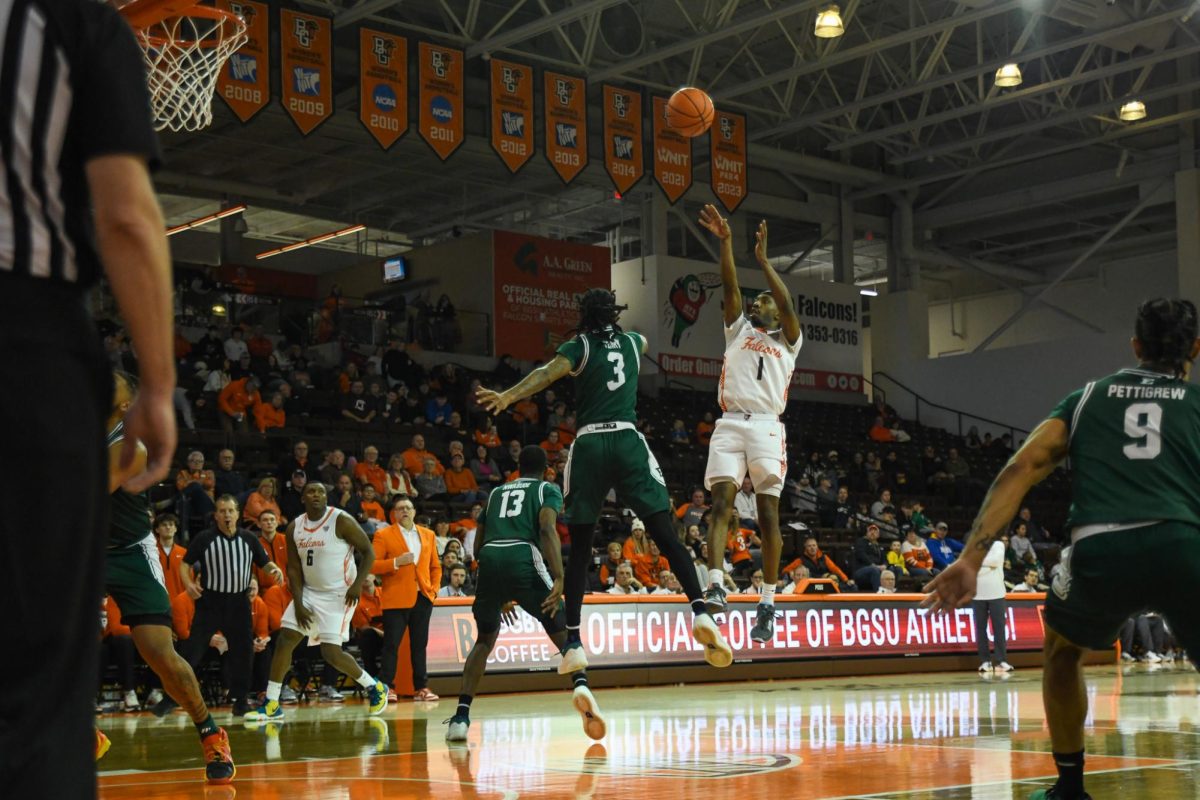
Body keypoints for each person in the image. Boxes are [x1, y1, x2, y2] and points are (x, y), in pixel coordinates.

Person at [1, 6, 178, 787]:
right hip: (24, 338)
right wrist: (160, 385)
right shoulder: (71, 21)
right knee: (41, 674)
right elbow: (125, 216)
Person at [923, 299, 1200, 800]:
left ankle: (1069, 787)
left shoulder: (1088, 398)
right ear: (1196, 349)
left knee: (1063, 651)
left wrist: (969, 558)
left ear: (1135, 347)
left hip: (1102, 547)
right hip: (1182, 542)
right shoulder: (1196, 404)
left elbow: (1020, 470)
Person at [478, 288, 732, 672]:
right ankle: (700, 611)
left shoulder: (579, 345)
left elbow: (547, 374)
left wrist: (508, 397)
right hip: (629, 439)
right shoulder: (634, 342)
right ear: (615, 313)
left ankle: (575, 642)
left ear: (583, 314)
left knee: (580, 549)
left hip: (591, 443)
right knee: (665, 532)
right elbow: (643, 337)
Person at [102, 373, 237, 783]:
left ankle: (210, 732)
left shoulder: (131, 445)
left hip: (131, 555)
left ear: (127, 404)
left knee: (159, 653)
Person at [445, 446, 606, 739]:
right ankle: (581, 685)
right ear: (546, 470)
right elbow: (546, 528)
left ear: (518, 467)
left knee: (483, 641)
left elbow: (477, 546)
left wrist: (501, 585)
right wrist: (558, 576)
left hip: (490, 560)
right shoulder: (546, 489)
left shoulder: (495, 493)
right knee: (559, 623)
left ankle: (460, 717)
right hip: (522, 554)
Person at [244, 482, 387, 722]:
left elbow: (368, 552)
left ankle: (374, 687)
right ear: (303, 498)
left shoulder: (340, 520)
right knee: (285, 640)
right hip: (310, 592)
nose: (317, 495)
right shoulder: (294, 527)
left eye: (321, 491)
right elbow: (294, 568)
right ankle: (271, 703)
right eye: (311, 491)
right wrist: (298, 603)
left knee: (330, 653)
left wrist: (356, 585)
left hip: (340, 594)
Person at [167, 495, 283, 722]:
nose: (227, 515)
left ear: (238, 514)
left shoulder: (249, 538)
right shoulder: (205, 538)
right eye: (222, 511)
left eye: (230, 511)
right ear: (216, 515)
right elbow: (185, 564)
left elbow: (263, 562)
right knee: (193, 650)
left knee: (243, 653)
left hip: (239, 602)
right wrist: (189, 584)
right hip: (211, 601)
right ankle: (173, 696)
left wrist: (274, 569)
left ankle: (240, 701)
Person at [372, 496, 442, 702]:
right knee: (391, 645)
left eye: (408, 508)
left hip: (423, 596)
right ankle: (387, 687)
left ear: (414, 512)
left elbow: (436, 567)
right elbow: (372, 565)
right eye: (400, 508)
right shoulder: (383, 534)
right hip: (396, 597)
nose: (405, 511)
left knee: (420, 645)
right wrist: (395, 562)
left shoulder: (428, 534)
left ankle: (422, 687)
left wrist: (434, 590)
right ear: (394, 513)